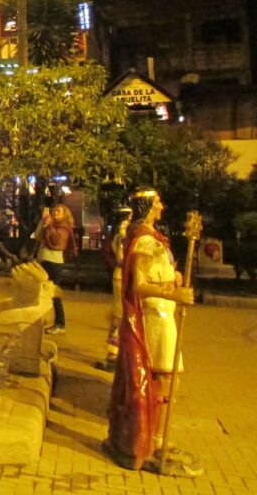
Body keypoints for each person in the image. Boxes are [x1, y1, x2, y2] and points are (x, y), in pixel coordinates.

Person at [104, 189, 201, 477]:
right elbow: (138, 285)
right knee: (165, 378)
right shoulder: (145, 241)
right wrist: (173, 292)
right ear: (148, 206)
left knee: (168, 380)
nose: (162, 205)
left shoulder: (153, 238)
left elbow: (157, 274)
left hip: (163, 314)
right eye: (158, 201)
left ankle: (157, 440)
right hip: (154, 317)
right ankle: (152, 443)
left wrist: (174, 277)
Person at [99, 206, 133, 370]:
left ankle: (119, 354)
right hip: (123, 274)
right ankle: (113, 354)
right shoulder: (123, 234)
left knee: (121, 314)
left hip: (126, 274)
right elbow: (121, 255)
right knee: (119, 314)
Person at [36, 204, 75, 335]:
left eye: (58, 211)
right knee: (40, 291)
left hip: (53, 264)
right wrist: (44, 222)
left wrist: (50, 225)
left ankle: (60, 323)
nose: (55, 212)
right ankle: (40, 319)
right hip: (44, 261)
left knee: (53, 294)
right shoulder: (50, 223)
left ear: (65, 214)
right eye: (54, 210)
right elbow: (36, 235)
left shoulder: (63, 227)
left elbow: (56, 242)